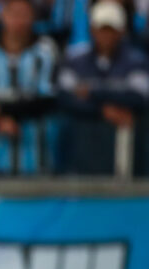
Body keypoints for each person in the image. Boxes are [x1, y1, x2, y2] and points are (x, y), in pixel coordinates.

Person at [58, 0, 149, 174]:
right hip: (83, 151)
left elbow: (139, 97)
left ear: (121, 31)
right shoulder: (75, 60)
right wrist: (103, 110)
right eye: (102, 28)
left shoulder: (138, 61)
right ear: (92, 29)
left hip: (128, 150)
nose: (106, 35)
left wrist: (92, 92)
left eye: (111, 29)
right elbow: (65, 98)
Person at [0, 0, 57, 175]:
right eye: (13, 14)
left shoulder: (46, 51)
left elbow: (48, 100)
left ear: (34, 17)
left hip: (35, 155)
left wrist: (1, 110)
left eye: (24, 15)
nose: (18, 21)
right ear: (2, 15)